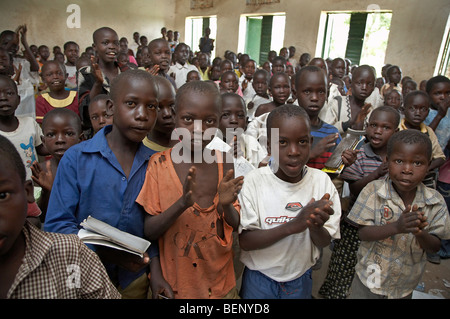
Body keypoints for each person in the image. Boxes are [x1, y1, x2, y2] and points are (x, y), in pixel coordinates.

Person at [44, 69, 166, 299]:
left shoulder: (156, 163)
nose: (142, 115)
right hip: (82, 276)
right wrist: (108, 252)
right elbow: (57, 226)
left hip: (134, 280)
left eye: (151, 106)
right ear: (111, 108)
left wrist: (156, 271)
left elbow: (155, 227)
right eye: (131, 103)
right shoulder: (77, 159)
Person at [136, 81, 244, 299]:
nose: (198, 129)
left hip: (220, 284)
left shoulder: (225, 162)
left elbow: (235, 223)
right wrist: (182, 204)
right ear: (175, 117)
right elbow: (149, 231)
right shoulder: (158, 165)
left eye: (209, 121)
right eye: (188, 119)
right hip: (177, 285)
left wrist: (224, 204)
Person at [238, 104, 341, 299]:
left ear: (310, 142)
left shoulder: (321, 182)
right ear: (269, 146)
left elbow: (324, 240)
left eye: (302, 142)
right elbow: (246, 241)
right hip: (259, 279)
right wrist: (294, 225)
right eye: (282, 142)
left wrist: (315, 226)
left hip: (300, 278)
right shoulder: (254, 182)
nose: (293, 151)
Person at [0, 135, 122, 299]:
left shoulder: (71, 254)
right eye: (51, 135)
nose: (60, 140)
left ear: (27, 192)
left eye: (2, 196)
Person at [347, 129, 450, 299]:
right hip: (368, 281)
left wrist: (419, 232)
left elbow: (435, 247)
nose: (407, 169)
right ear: (387, 161)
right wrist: (397, 227)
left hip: (403, 286)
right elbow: (363, 233)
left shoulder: (435, 202)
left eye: (417, 163)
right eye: (399, 161)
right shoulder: (373, 191)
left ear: (428, 164)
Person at [319, 106, 400, 298]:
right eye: (373, 125)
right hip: (356, 222)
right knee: (343, 265)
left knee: (374, 266)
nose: (377, 131)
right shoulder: (359, 154)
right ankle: (333, 294)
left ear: (396, 132)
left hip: (385, 224)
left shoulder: (399, 157)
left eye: (385, 127)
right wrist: (378, 172)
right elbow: (356, 189)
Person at [31, 108, 83, 220]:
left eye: (68, 133)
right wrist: (47, 191)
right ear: (43, 141)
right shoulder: (41, 171)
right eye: (51, 135)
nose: (60, 140)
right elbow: (42, 218)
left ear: (81, 139)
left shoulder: (88, 168)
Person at [78, 27, 129, 138]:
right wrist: (98, 83)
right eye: (105, 43)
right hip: (98, 135)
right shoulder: (86, 73)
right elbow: (86, 111)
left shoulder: (128, 73)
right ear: (95, 47)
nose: (112, 46)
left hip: (125, 133)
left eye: (116, 43)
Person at [399, 90, 446, 178]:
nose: (418, 113)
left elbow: (440, 158)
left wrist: (426, 168)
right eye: (412, 108)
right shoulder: (396, 129)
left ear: (428, 112)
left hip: (422, 179)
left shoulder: (428, 132)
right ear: (403, 110)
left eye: (423, 109)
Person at [321, 65, 375, 135]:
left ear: (374, 87)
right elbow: (325, 130)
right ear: (351, 83)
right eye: (359, 83)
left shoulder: (371, 110)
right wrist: (347, 124)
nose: (364, 87)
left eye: (369, 84)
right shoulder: (338, 103)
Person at [0, 26, 40, 118]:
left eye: (15, 45)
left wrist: (24, 42)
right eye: (6, 43)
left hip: (23, 112)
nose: (13, 48)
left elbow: (35, 68)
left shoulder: (20, 63)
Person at [143, 76, 176, 152]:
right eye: (157, 107)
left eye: (172, 105)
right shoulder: (139, 151)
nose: (167, 114)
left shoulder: (191, 143)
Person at [424, 75, 450, 151]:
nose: (443, 97)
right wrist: (439, 115)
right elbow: (423, 138)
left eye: (447, 93)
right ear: (428, 94)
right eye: (437, 93)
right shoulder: (423, 111)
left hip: (441, 155)